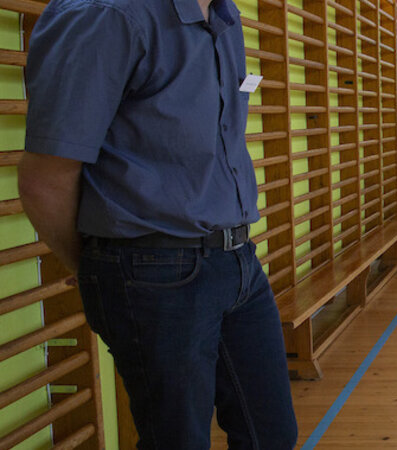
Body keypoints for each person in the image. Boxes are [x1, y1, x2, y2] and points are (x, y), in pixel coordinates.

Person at [18, 0, 298, 448]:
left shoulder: (225, 18)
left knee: (272, 435)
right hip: (155, 271)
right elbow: (44, 180)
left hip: (238, 262)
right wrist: (99, 270)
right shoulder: (108, 15)